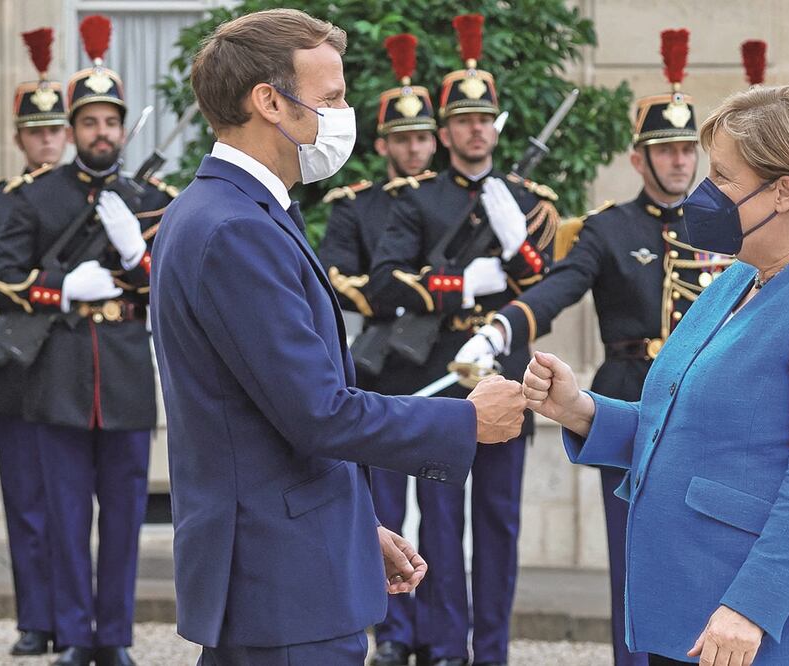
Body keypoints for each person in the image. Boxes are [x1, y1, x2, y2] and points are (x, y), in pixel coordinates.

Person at [148, 10, 526, 666]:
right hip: (282, 584)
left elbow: (267, 417)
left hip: (288, 559)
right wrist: (464, 423)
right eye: (330, 99)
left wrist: (352, 529)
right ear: (269, 102)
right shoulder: (236, 227)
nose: (341, 115)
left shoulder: (225, 209)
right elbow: (316, 412)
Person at [522, 84, 789, 665]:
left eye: (725, 179)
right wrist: (580, 410)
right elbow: (688, 425)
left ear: (784, 191)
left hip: (788, 628)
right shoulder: (742, 275)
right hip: (697, 611)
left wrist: (753, 607)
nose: (705, 193)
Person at [452, 29, 729, 666]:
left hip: (711, 397)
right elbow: (560, 288)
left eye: (689, 149)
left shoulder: (724, 223)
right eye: (667, 150)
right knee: (632, 552)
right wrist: (503, 330)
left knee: (711, 551)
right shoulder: (609, 227)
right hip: (632, 389)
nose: (681, 161)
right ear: (639, 160)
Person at [366, 14, 559, 666]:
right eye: (464, 120)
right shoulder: (416, 200)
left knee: (499, 522)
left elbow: (547, 291)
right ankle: (446, 646)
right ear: (445, 131)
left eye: (486, 118)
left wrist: (518, 246)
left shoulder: (531, 200)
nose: (476, 129)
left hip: (503, 376)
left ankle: (493, 650)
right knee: (442, 521)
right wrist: (460, 283)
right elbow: (386, 281)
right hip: (441, 380)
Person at [0, 15, 175, 666]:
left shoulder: (153, 198)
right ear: (72, 130)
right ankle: (72, 635)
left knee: (121, 518)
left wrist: (134, 255)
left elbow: (171, 294)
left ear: (123, 128)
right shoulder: (37, 199)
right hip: (58, 372)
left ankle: (114, 637)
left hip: (122, 371)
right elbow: (1, 277)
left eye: (110, 122)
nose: (101, 134)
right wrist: (62, 287)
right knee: (65, 516)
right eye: (89, 122)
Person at [318, 33, 441, 666]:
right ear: (384, 144)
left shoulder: (457, 203)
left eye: (423, 137)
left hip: (448, 365)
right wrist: (419, 294)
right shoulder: (356, 206)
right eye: (403, 138)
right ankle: (392, 633)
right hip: (384, 366)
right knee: (385, 508)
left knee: (448, 516)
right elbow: (340, 277)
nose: (414, 147)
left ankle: (444, 637)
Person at [0, 27, 67, 658]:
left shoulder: (96, 195)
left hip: (78, 364)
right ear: (20, 137)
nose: (47, 139)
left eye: (56, 129)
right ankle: (36, 618)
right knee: (26, 502)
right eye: (37, 131)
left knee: (72, 506)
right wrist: (48, 287)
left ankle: (77, 618)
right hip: (17, 368)